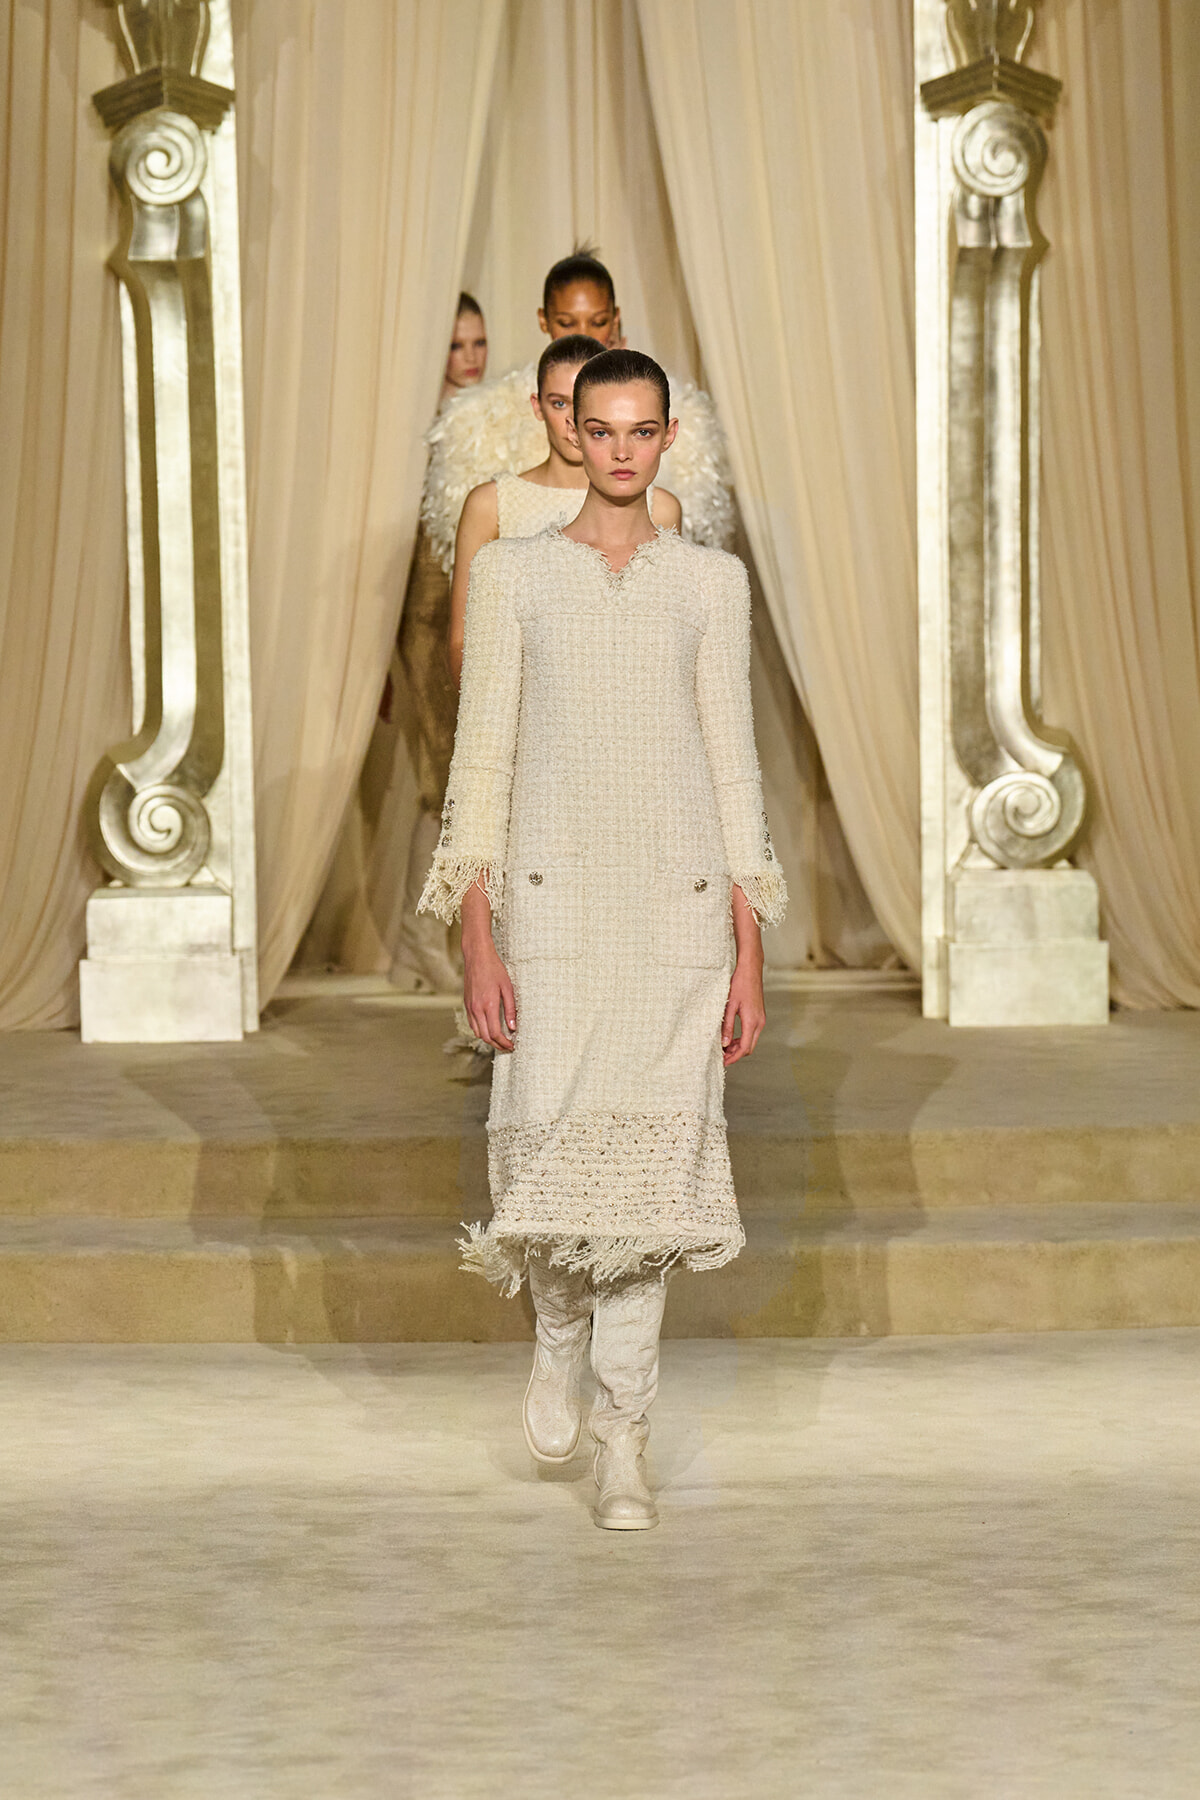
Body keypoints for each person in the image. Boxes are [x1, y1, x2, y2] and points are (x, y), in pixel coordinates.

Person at [419, 350, 786, 1530]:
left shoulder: (712, 585)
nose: (621, 448)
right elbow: (479, 764)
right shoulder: (516, 575)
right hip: (555, 907)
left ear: (667, 439)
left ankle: (626, 1437)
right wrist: (477, 935)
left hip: (675, 913)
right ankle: (556, 1328)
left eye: (642, 430)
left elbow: (736, 768)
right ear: (570, 431)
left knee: (653, 1195)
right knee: (557, 1162)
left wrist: (751, 949)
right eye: (602, 427)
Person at [420, 249, 734, 578]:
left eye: (596, 322)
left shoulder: (674, 424)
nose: (582, 334)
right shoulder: (490, 422)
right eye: (566, 322)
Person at [447, 333, 682, 686]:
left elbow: (670, 635)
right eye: (559, 403)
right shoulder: (492, 503)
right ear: (537, 405)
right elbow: (463, 640)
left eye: (580, 401)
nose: (572, 415)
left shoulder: (660, 507)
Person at [391, 294, 489, 993]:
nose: (472, 359)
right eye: (457, 346)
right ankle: (419, 943)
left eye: (478, 343)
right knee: (443, 788)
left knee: (467, 789)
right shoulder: (419, 433)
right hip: (429, 627)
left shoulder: (491, 423)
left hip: (476, 622)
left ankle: (425, 946)